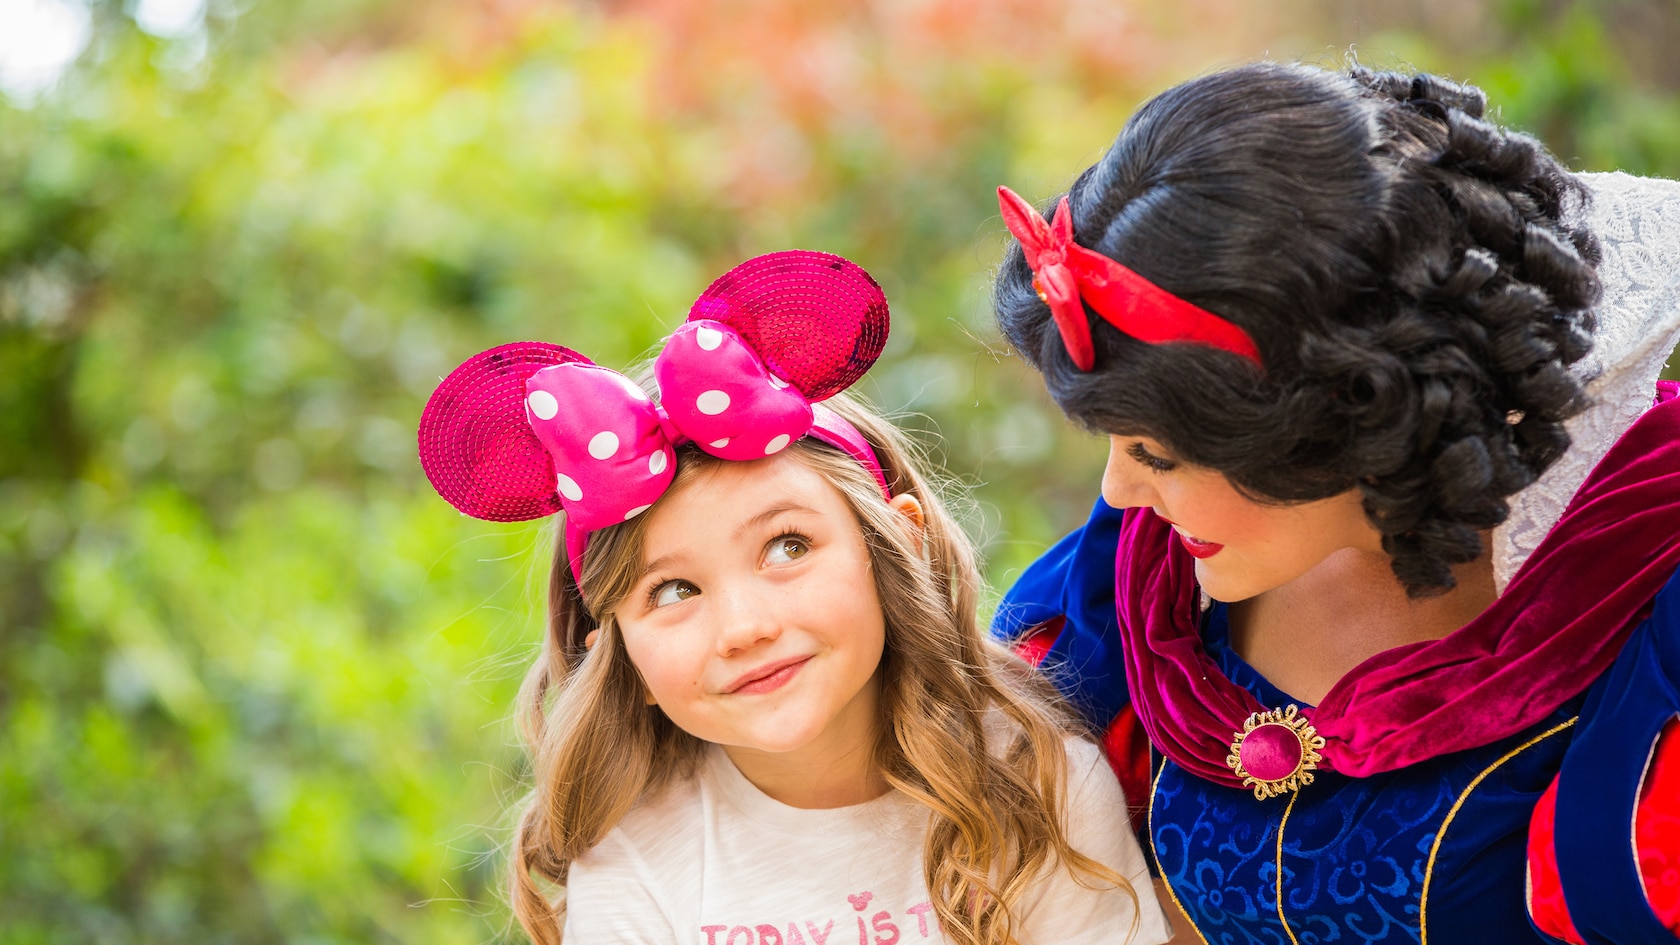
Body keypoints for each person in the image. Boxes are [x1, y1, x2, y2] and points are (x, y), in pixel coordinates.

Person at [989, 62, 1680, 943]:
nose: (1118, 491)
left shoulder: (1645, 571)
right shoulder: (1146, 567)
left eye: (1156, 454)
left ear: (1334, 418)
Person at [416, 251, 1174, 945]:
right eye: (674, 589)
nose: (745, 626)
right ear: (620, 656)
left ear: (895, 546)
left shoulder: (1038, 783)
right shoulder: (636, 861)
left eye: (788, 546)